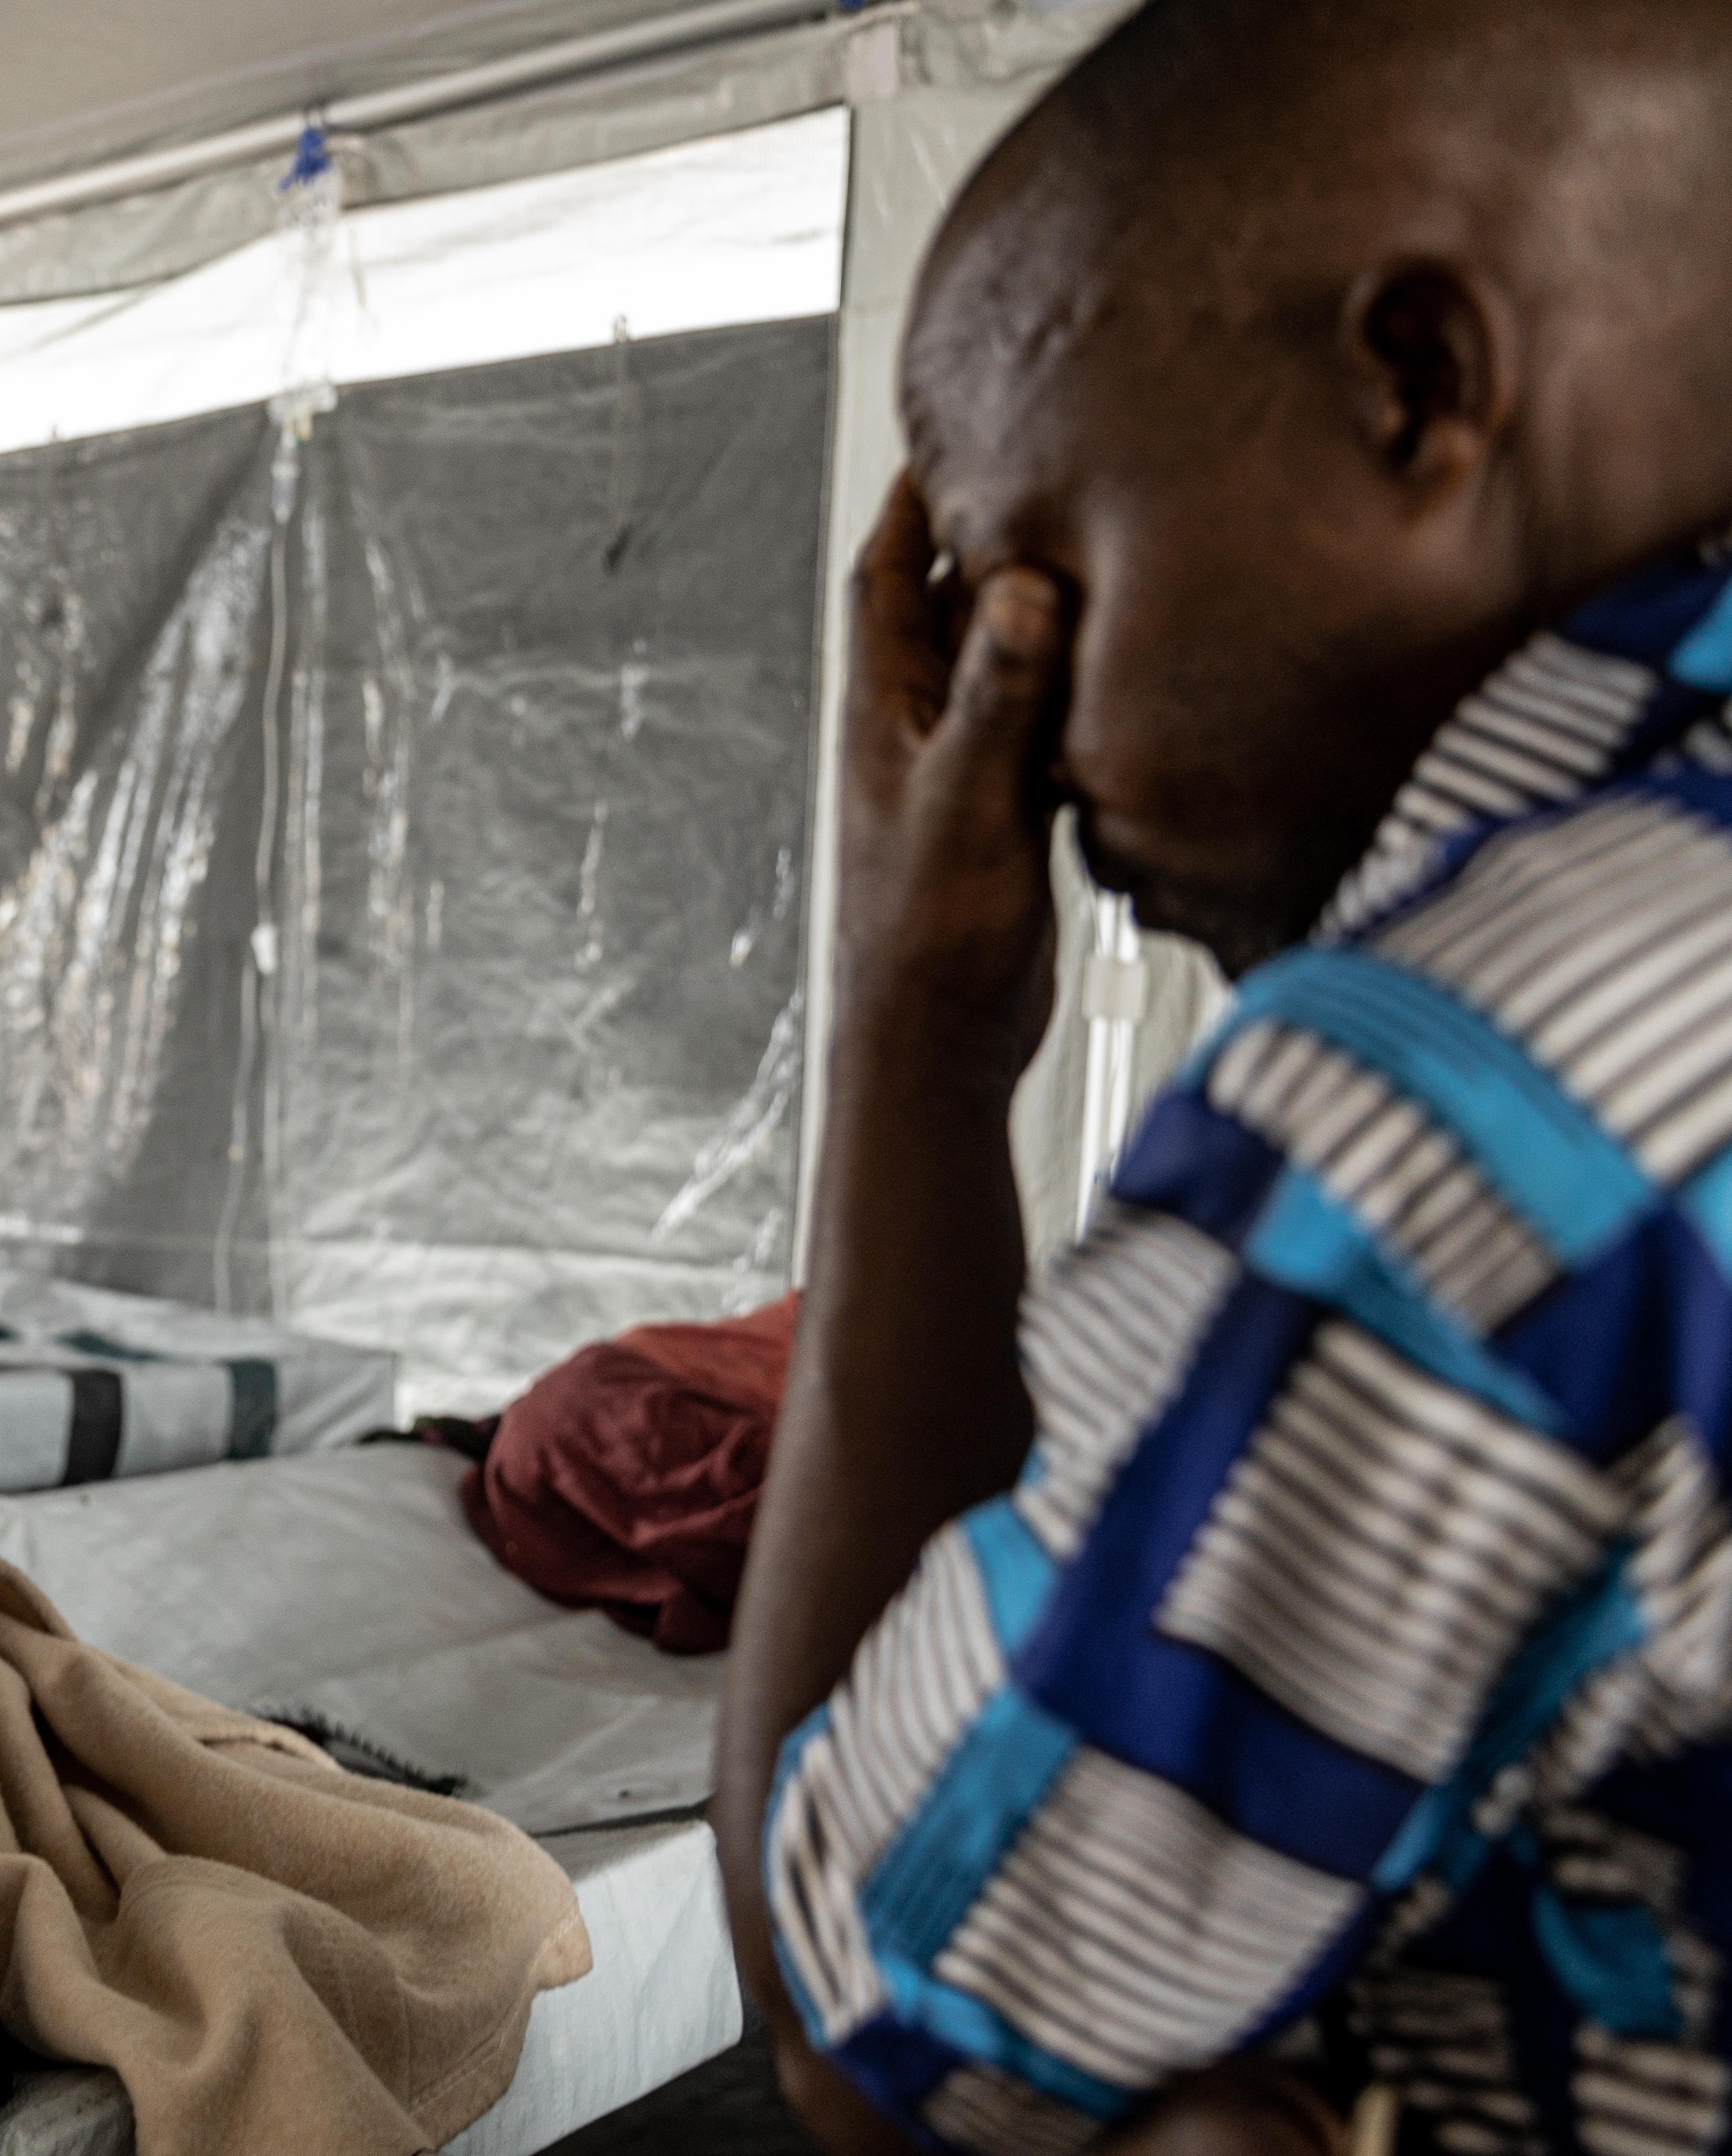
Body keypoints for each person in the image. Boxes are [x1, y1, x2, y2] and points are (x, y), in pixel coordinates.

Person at [710, 5, 1732, 2155]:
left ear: (1415, 388)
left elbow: (869, 2033)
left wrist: (907, 1037)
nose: (1025, 745)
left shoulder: (1464, 1106)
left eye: (1031, 579)